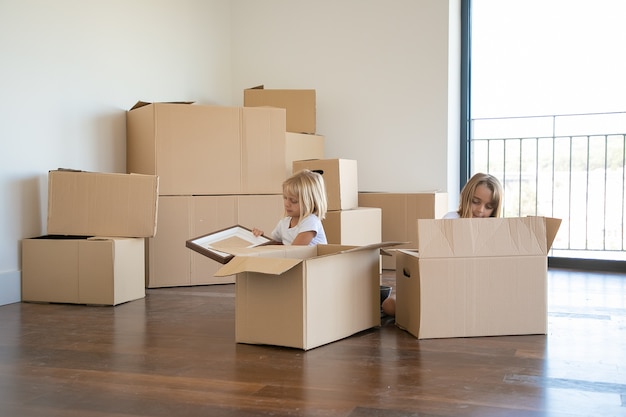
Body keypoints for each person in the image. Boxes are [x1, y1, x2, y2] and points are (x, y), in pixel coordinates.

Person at [381, 172, 503, 319]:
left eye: (488, 206)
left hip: (476, 290)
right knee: (388, 305)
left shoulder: (495, 230)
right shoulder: (451, 219)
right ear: (465, 198)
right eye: (475, 202)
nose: (480, 210)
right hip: (444, 286)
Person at [252, 169, 328, 246]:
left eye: (294, 201)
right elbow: (275, 244)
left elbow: (295, 250)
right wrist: (260, 239)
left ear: (312, 203)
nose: (287, 204)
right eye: (285, 198)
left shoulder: (310, 221)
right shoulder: (284, 222)